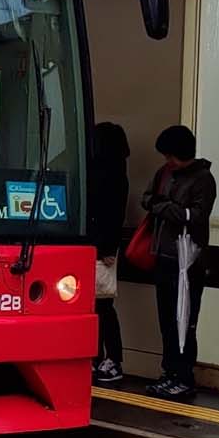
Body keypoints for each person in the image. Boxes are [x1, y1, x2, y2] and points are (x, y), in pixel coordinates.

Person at [140, 125, 215, 400]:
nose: (166, 162)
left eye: (169, 156)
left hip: (188, 261)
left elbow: (195, 216)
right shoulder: (164, 174)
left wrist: (162, 206)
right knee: (167, 320)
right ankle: (168, 372)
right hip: (163, 256)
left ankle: (184, 375)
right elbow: (146, 198)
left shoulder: (203, 179)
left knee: (184, 319)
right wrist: (165, 206)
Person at [90, 121, 131, 385]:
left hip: (101, 248)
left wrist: (105, 247)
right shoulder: (117, 172)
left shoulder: (106, 174)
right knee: (101, 305)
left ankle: (110, 358)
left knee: (102, 305)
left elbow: (110, 215)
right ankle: (103, 357)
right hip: (103, 245)